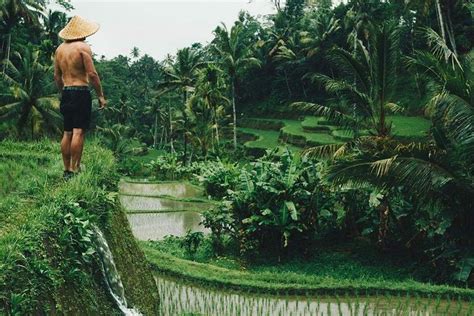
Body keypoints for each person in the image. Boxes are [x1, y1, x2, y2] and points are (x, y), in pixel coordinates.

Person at [54, 16, 107, 180]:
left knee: (67, 131)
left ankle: (66, 169)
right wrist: (100, 96)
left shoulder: (59, 50)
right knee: (78, 131)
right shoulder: (83, 48)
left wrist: (63, 92)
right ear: (83, 33)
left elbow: (57, 76)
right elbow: (92, 74)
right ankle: (76, 169)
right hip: (80, 92)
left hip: (67, 91)